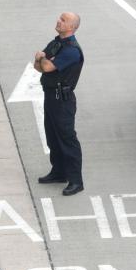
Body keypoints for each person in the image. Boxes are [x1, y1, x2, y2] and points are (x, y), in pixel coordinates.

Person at [34, 12, 85, 196]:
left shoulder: (71, 50)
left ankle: (76, 181)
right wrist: (42, 59)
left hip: (62, 100)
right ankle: (58, 172)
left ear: (72, 27)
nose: (58, 21)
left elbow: (45, 66)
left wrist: (42, 59)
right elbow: (38, 66)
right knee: (52, 136)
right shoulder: (56, 43)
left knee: (67, 139)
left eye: (63, 20)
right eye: (59, 18)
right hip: (50, 97)